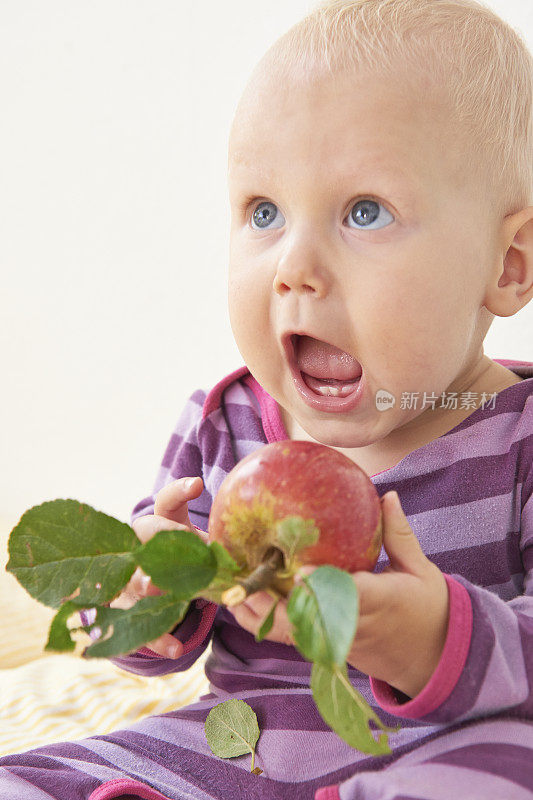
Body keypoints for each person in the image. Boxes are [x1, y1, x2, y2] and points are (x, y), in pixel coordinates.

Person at [2, 0, 533, 797]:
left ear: (508, 266)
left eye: (364, 212)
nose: (293, 265)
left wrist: (428, 638)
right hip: (237, 747)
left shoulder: (519, 440)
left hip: (445, 742)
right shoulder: (226, 423)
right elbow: (148, 643)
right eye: (263, 212)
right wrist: (145, 587)